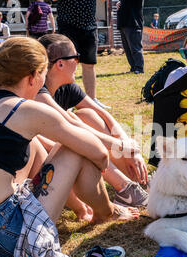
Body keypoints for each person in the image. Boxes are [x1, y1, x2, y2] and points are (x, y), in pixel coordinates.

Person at [0, 37, 139, 257]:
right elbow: (98, 152)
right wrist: (103, 165)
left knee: (33, 144)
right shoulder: (24, 110)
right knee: (74, 148)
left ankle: (80, 209)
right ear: (34, 76)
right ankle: (107, 212)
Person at [32, 34, 149, 216]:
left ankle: (136, 182)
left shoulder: (66, 87)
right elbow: (67, 125)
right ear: (60, 64)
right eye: (76, 57)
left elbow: (104, 114)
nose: (78, 62)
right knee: (78, 135)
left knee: (88, 115)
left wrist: (129, 146)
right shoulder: (38, 93)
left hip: (64, 151)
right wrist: (121, 146)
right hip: (48, 165)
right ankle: (125, 187)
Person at [57, 0, 111, 109]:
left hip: (88, 26)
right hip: (68, 26)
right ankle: (66, 101)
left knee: (89, 64)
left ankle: (92, 100)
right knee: (67, 63)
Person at [117, 0, 145, 74]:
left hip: (133, 23)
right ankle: (133, 67)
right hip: (123, 23)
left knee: (135, 48)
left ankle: (139, 68)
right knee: (127, 49)